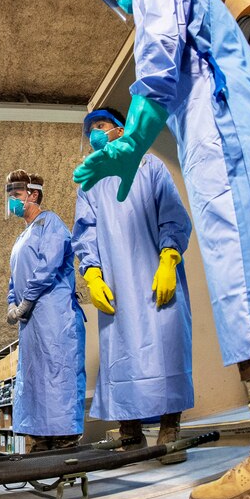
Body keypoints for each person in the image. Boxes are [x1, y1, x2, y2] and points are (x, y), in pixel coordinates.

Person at [76, 0, 250, 499]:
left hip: (228, 137)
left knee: (248, 274)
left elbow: (159, 54)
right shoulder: (211, 11)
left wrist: (134, 139)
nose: (125, 1)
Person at [72, 107, 194, 463]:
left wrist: (169, 258)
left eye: (101, 125)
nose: (95, 133)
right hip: (117, 281)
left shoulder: (149, 165)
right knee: (122, 352)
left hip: (156, 273)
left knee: (166, 345)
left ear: (120, 128)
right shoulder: (90, 181)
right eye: (90, 129)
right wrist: (92, 273)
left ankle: (171, 429)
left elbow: (172, 212)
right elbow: (86, 230)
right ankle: (131, 433)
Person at [4, 170, 86, 452]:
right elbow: (14, 276)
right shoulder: (20, 238)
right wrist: (12, 303)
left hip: (55, 315)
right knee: (34, 377)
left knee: (58, 372)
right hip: (31, 322)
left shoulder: (49, 223)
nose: (12, 201)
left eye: (16, 195)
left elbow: (48, 265)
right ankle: (40, 437)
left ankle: (64, 437)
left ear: (33, 195)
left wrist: (26, 300)